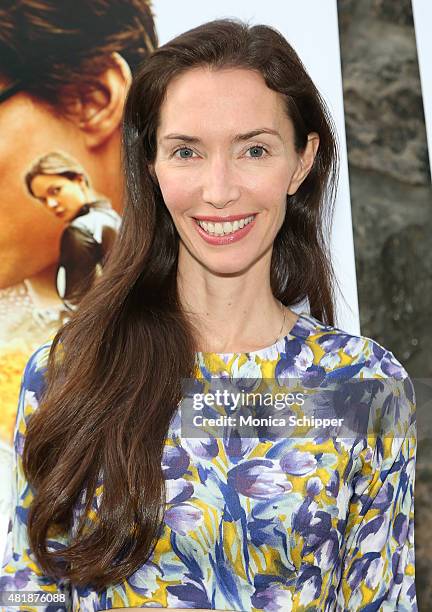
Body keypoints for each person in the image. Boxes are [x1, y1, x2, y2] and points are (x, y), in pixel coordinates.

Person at [0, 18, 417, 612]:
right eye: (187, 152)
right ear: (151, 164)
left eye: (254, 149)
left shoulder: (362, 387)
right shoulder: (70, 373)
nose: (218, 190)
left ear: (301, 161)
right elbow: (30, 592)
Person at [25, 152, 122, 310]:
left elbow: (77, 303)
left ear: (79, 181)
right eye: (42, 199)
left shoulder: (79, 231)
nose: (51, 204)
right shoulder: (110, 216)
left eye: (55, 191)